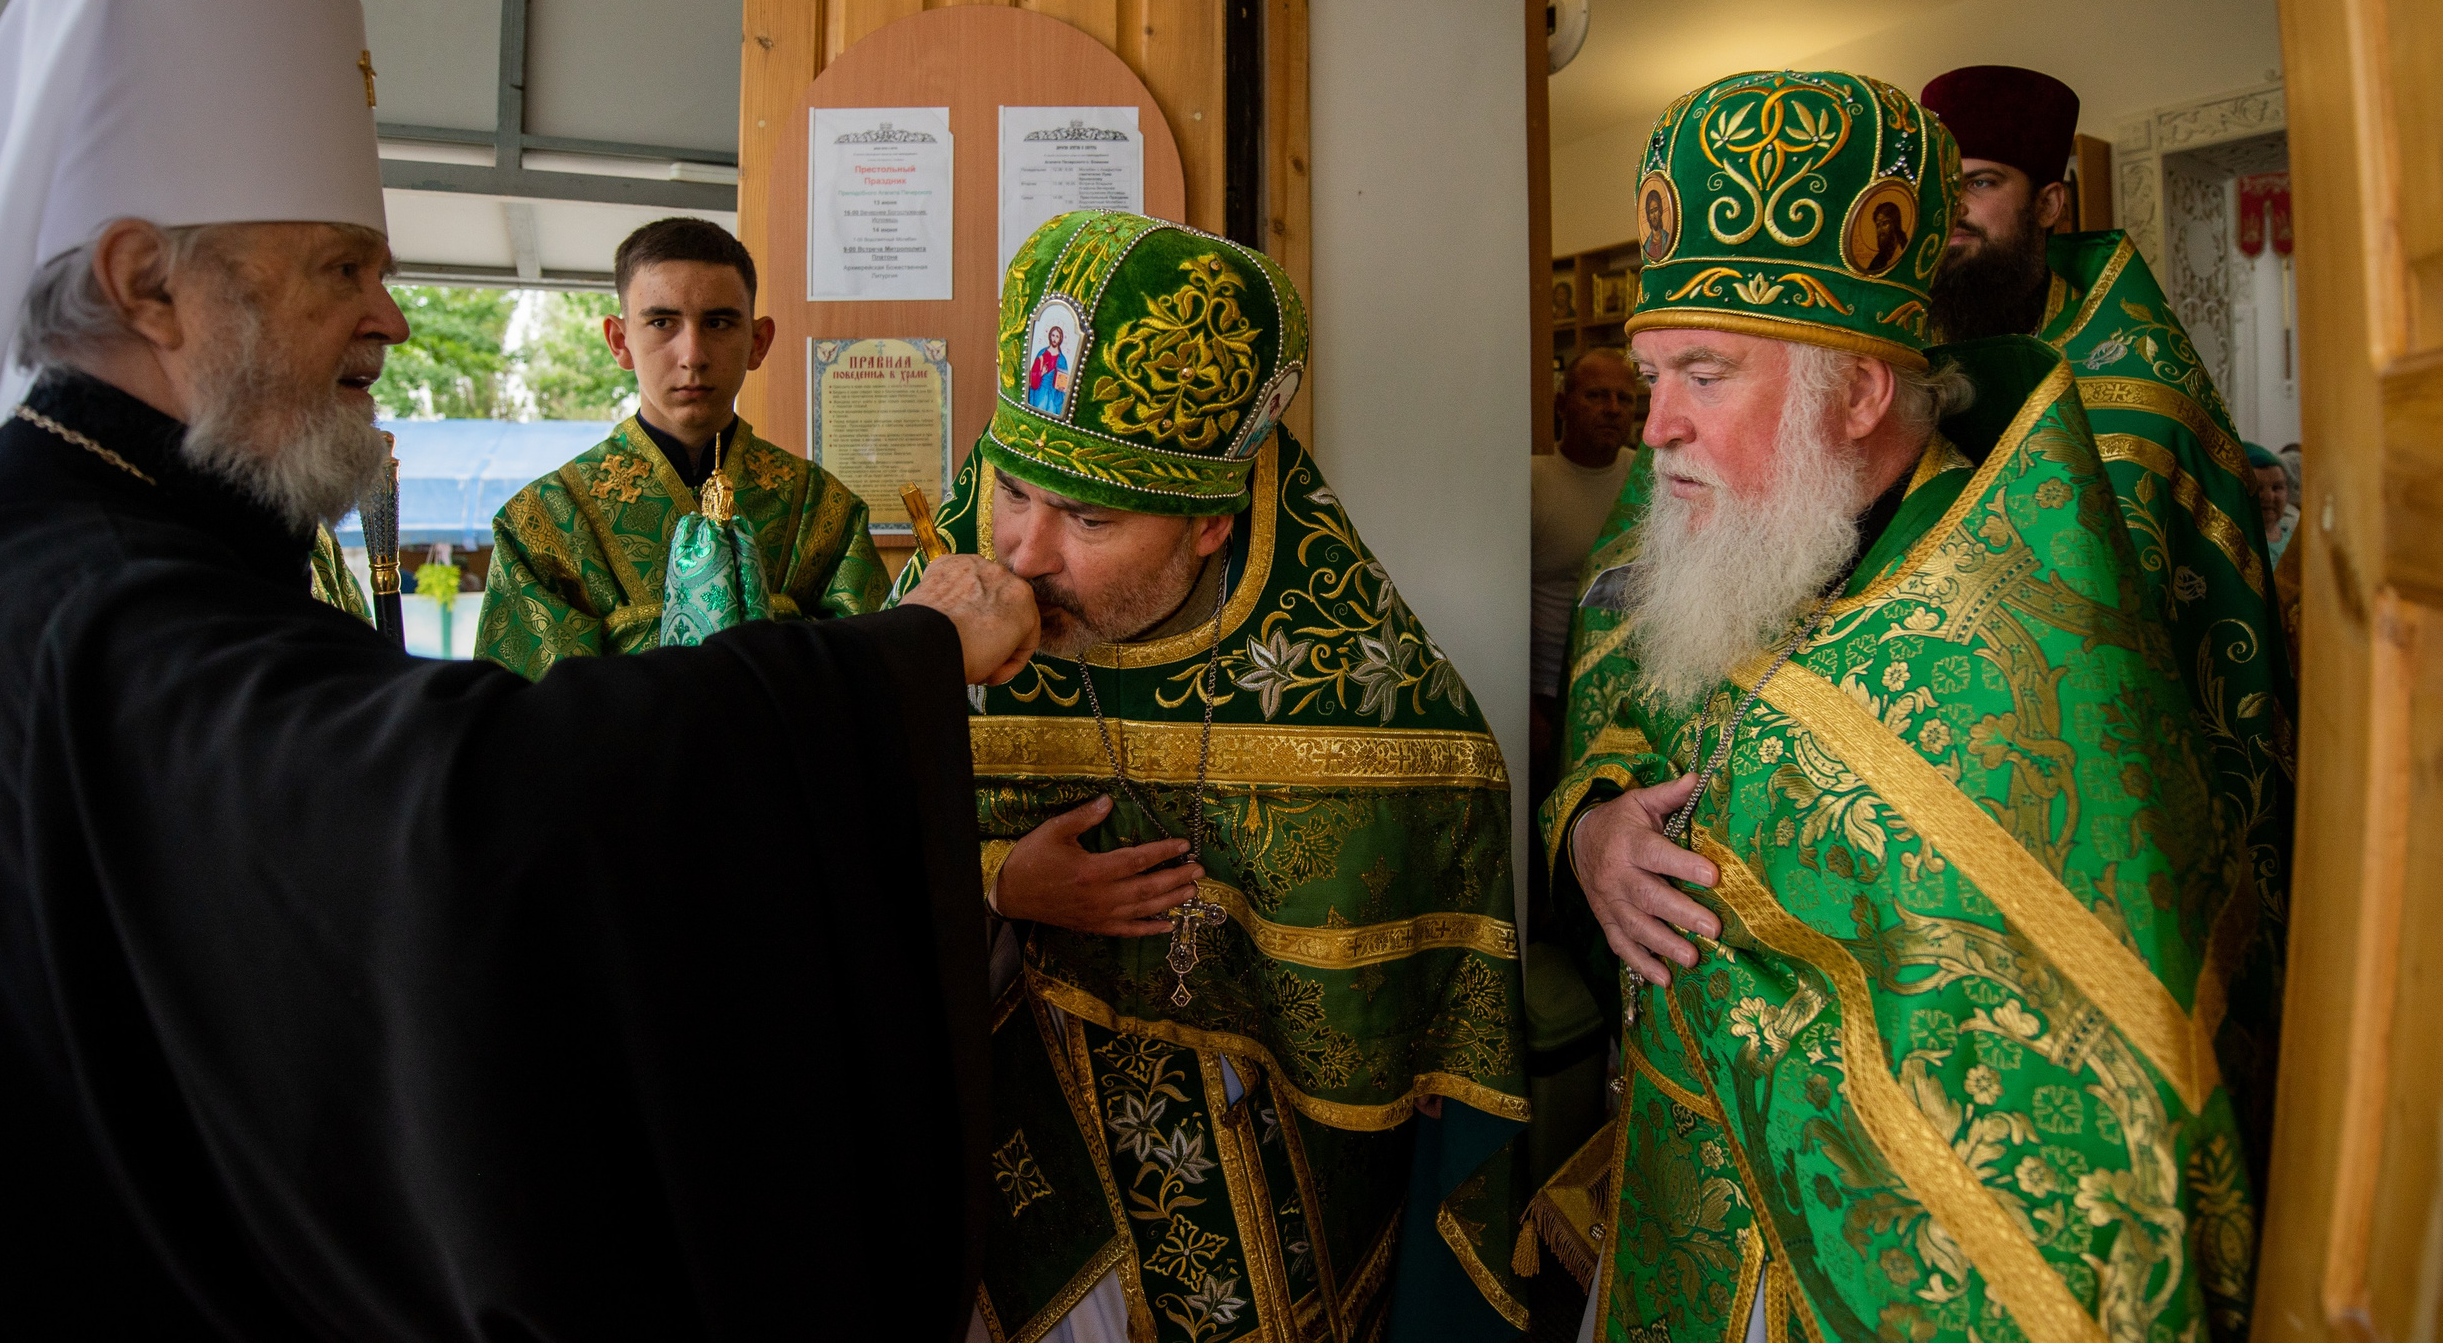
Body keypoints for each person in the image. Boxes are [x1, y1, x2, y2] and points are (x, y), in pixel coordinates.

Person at [0, 0, 1041, 1339]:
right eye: (340, 266)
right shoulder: (96, 598)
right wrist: (901, 663)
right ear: (148, 287)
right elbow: (481, 810)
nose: (391, 318)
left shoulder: (119, 541)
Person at [1543, 71, 2266, 1343]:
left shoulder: (2008, 657)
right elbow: (1619, 691)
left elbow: (2071, 1166)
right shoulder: (1730, 512)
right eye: (1652, 373)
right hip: (1674, 1185)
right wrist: (1595, 826)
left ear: (1860, 395)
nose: (1653, 426)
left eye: (1701, 373)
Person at [890, 212, 1530, 1343]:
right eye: (1011, 492)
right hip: (1000, 1170)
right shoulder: (939, 625)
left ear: (1209, 528)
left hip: (1266, 1189)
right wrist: (994, 881)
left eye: (1090, 516)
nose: (1025, 555)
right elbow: (815, 849)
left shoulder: (1354, 683)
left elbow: (1434, 966)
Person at [1924, 64, 2296, 1167]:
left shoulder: (2137, 366)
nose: (1950, 216)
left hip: (2107, 769)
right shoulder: (1899, 344)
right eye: (1936, 188)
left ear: (2047, 203)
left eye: (1979, 184)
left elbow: (2201, 547)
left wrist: (2238, 482)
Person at [475, 216, 884, 677]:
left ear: (758, 341)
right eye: (662, 322)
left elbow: (870, 681)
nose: (692, 355)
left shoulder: (823, 511)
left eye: (718, 322)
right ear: (619, 341)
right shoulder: (543, 523)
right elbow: (534, 722)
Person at [1528, 351, 1642, 892]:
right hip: (1545, 693)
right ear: (1562, 404)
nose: (1612, 409)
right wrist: (1527, 704)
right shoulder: (1534, 482)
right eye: (1596, 395)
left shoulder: (1651, 481)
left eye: (1625, 397)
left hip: (1625, 692)